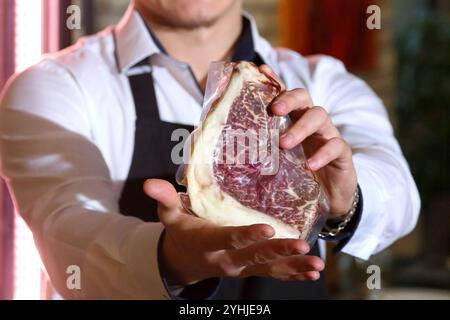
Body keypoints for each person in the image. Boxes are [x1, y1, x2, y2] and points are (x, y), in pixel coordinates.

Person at [0, 0, 420, 299]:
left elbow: (398, 191)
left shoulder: (323, 80)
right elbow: (69, 236)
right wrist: (173, 258)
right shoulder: (56, 85)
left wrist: (346, 200)